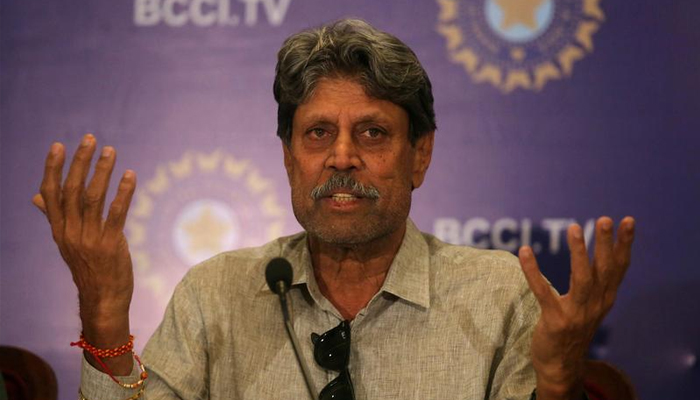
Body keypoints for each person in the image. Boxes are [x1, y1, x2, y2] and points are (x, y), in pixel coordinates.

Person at [33, 19, 635, 400]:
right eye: (318, 133)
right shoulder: (217, 291)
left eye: (372, 133)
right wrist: (107, 318)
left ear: (419, 156)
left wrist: (557, 384)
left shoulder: (498, 292)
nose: (341, 157)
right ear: (290, 159)